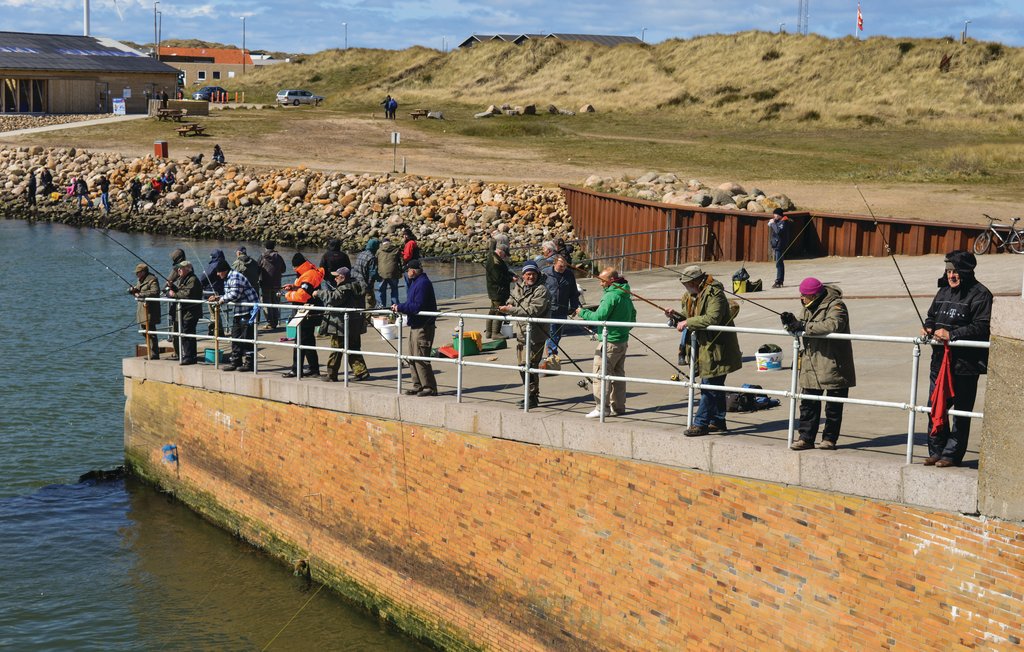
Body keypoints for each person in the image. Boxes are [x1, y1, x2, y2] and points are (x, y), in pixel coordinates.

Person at [920, 250, 992, 468]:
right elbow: (931, 315)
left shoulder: (981, 294)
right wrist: (929, 326)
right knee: (935, 406)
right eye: (949, 271)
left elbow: (982, 326)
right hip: (939, 362)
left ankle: (951, 455)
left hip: (965, 365)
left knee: (961, 411)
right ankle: (936, 451)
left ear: (966, 272)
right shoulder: (943, 292)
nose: (951, 276)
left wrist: (953, 335)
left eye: (956, 272)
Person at [781, 278, 857, 450]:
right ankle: (805, 438)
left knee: (833, 406)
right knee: (808, 403)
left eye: (804, 296)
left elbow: (833, 325)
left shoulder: (836, 305)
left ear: (814, 295)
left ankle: (829, 439)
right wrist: (789, 323)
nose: (801, 298)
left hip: (833, 363)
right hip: (811, 363)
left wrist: (804, 326)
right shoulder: (807, 307)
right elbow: (801, 325)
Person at [666, 264, 743, 436]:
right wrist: (677, 316)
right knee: (716, 385)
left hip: (717, 348)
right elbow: (689, 316)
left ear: (695, 282)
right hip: (703, 347)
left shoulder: (715, 293)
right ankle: (718, 421)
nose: (685, 287)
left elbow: (712, 318)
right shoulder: (689, 296)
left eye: (687, 283)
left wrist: (688, 322)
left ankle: (700, 424)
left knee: (709, 386)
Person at [575, 266, 636, 418]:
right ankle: (619, 407)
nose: (600, 284)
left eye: (603, 281)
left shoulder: (610, 296)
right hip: (622, 341)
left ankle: (601, 408)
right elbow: (633, 317)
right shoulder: (625, 293)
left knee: (600, 375)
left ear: (611, 281)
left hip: (609, 342)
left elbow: (598, 317)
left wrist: (581, 312)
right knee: (618, 376)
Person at [499, 261, 551, 409]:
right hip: (521, 333)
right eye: (528, 274)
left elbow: (533, 311)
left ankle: (533, 397)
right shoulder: (519, 286)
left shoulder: (542, 290)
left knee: (531, 365)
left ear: (537, 274)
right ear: (523, 275)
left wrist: (510, 310)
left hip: (537, 335)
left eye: (533, 274)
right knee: (522, 366)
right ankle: (528, 394)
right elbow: (512, 300)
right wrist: (507, 305)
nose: (531, 277)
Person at [392, 259, 437, 396]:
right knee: (412, 357)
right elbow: (412, 303)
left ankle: (429, 387)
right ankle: (417, 385)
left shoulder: (423, 283)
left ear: (412, 271)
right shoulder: (416, 282)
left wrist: (400, 307)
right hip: (415, 325)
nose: (407, 272)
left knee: (420, 357)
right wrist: (401, 306)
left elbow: (417, 306)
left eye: (408, 270)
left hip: (423, 326)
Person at [317, 267, 370, 382]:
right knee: (353, 348)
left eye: (336, 276)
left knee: (336, 350)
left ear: (343, 277)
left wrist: (319, 293)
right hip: (355, 323)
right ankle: (361, 373)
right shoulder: (355, 286)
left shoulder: (345, 288)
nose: (335, 278)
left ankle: (331, 374)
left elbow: (334, 298)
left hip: (341, 326)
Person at [207, 259, 259, 372]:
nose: (217, 274)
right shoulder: (227, 278)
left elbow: (235, 294)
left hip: (248, 311)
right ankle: (235, 362)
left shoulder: (235, 276)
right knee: (235, 337)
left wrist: (221, 300)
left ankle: (250, 364)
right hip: (239, 311)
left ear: (224, 271)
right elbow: (229, 294)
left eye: (218, 272)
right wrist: (219, 297)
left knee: (247, 338)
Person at [282, 253, 324, 378]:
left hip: (306, 313)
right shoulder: (309, 272)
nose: (294, 270)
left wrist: (288, 295)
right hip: (310, 312)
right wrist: (294, 287)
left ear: (298, 266)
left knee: (299, 341)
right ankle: (314, 369)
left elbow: (302, 296)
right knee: (309, 341)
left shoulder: (308, 275)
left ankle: (296, 369)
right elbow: (306, 288)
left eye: (294, 267)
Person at [166, 260, 203, 365]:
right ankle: (189, 356)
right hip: (186, 312)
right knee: (186, 334)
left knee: (188, 334)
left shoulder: (193, 279)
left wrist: (173, 295)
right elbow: (180, 291)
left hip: (191, 312)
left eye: (181, 268)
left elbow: (186, 294)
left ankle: (189, 357)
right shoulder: (185, 279)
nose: (179, 270)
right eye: (178, 269)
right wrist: (172, 286)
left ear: (188, 269)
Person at [544, 254, 581, 355]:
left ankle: (550, 351)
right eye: (561, 266)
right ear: (554, 264)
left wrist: (574, 307)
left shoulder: (569, 274)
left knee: (558, 334)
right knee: (552, 332)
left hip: (563, 308)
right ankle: (552, 354)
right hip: (549, 309)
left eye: (565, 266)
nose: (563, 268)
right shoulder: (545, 273)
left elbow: (573, 292)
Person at [128, 263, 162, 359]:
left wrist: (141, 294)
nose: (136, 275)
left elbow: (155, 292)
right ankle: (151, 352)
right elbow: (138, 289)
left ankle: (154, 354)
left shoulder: (152, 279)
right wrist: (132, 290)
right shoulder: (140, 280)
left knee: (151, 332)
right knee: (145, 332)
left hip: (150, 310)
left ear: (143, 272)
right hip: (142, 310)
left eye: (138, 273)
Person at [484, 241, 514, 340]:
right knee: (499, 310)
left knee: (493, 309)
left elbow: (501, 274)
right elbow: (498, 278)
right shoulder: (496, 262)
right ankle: (495, 333)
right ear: (501, 252)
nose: (505, 257)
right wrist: (511, 279)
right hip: (498, 290)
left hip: (494, 290)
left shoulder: (493, 257)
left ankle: (488, 332)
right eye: (505, 255)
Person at [258, 241, 286, 329]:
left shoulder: (262, 257)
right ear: (274, 247)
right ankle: (276, 321)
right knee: (276, 303)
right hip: (277, 284)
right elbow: (283, 269)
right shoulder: (278, 257)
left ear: (265, 247)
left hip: (265, 283)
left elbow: (257, 268)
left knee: (266, 303)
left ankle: (270, 323)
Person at [165, 248, 186, 349]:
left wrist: (168, 291)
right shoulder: (188, 266)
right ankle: (183, 352)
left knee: (177, 329)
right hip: (186, 305)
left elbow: (168, 282)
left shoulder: (177, 268)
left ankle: (179, 353)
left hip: (179, 304)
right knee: (184, 330)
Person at [352, 237, 381, 309]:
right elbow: (373, 273)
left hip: (355, 282)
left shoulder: (360, 254)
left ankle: (360, 318)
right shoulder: (372, 257)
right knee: (370, 303)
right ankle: (366, 319)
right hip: (365, 284)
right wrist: (379, 278)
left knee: (359, 303)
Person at [768, 208, 792, 288]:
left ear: (779, 215)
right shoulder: (778, 221)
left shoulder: (784, 222)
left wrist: (773, 224)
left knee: (779, 264)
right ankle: (779, 280)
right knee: (778, 263)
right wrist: (773, 222)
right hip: (777, 245)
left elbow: (778, 231)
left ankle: (779, 281)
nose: (774, 216)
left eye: (775, 214)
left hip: (780, 245)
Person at [377, 238, 402, 307]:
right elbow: (400, 261)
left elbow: (376, 261)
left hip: (382, 274)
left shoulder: (379, 250)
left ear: (382, 243)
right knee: (394, 290)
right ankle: (395, 307)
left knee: (381, 291)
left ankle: (381, 307)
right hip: (393, 273)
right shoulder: (396, 250)